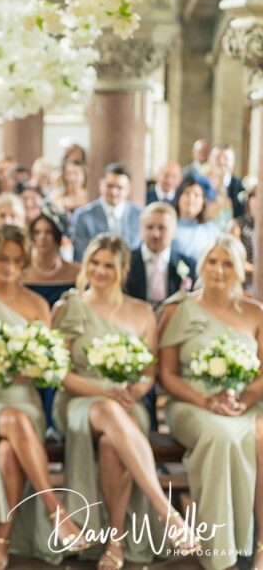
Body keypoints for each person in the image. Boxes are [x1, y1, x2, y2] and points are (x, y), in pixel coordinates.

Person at [52, 235, 199, 568]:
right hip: (79, 399)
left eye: (109, 265)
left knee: (111, 444)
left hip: (128, 403)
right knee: (108, 410)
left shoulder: (142, 311)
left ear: (123, 269)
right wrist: (105, 393)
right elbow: (60, 372)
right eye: (95, 263)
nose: (100, 271)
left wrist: (136, 390)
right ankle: (165, 510)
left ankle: (115, 542)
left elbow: (149, 373)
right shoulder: (68, 307)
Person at [0, 224, 85, 568]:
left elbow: (48, 364)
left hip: (22, 397)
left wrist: (25, 367)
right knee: (13, 422)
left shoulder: (36, 304)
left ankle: (1, 541)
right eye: (3, 259)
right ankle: (55, 508)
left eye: (17, 261)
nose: (10, 267)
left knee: (8, 452)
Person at [158, 235, 263, 570]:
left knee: (257, 437)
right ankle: (218, 552)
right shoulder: (179, 308)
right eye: (212, 262)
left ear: (239, 269)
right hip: (191, 402)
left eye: (227, 263)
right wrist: (206, 400)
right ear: (202, 265)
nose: (218, 270)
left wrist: (242, 400)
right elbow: (167, 374)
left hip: (242, 404)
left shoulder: (254, 312)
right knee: (221, 436)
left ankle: (257, 545)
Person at [125, 203, 196, 307]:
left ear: (174, 231)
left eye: (162, 228)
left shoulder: (189, 265)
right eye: (149, 227)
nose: (155, 234)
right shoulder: (126, 260)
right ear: (141, 229)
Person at [69, 163, 142, 261]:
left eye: (119, 187)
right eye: (109, 186)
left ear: (128, 189)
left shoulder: (139, 215)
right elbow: (79, 255)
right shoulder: (82, 216)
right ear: (101, 184)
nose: (113, 192)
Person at [23, 210, 80, 307]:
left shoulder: (76, 272)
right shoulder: (22, 271)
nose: (42, 237)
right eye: (37, 232)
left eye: (48, 232)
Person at [173, 175, 221, 261]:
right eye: (187, 193)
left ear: (203, 202)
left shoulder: (211, 230)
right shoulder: (168, 224)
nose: (191, 198)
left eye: (196, 195)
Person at [230, 184, 257, 285]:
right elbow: (234, 258)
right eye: (255, 197)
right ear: (249, 200)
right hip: (244, 280)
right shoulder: (237, 225)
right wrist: (256, 270)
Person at [211, 143, 245, 218]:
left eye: (226, 158)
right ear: (210, 159)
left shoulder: (242, 187)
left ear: (233, 161)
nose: (221, 162)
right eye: (217, 157)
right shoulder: (201, 185)